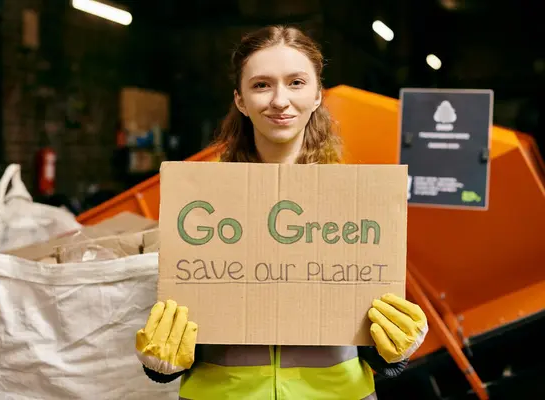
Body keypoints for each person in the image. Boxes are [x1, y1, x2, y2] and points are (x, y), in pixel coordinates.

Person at [135, 25, 429, 399]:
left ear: (317, 94)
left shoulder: (354, 205)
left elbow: (364, 326)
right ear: (240, 100)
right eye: (261, 85)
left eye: (295, 83)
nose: (279, 100)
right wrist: (161, 363)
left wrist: (393, 352)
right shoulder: (201, 206)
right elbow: (183, 313)